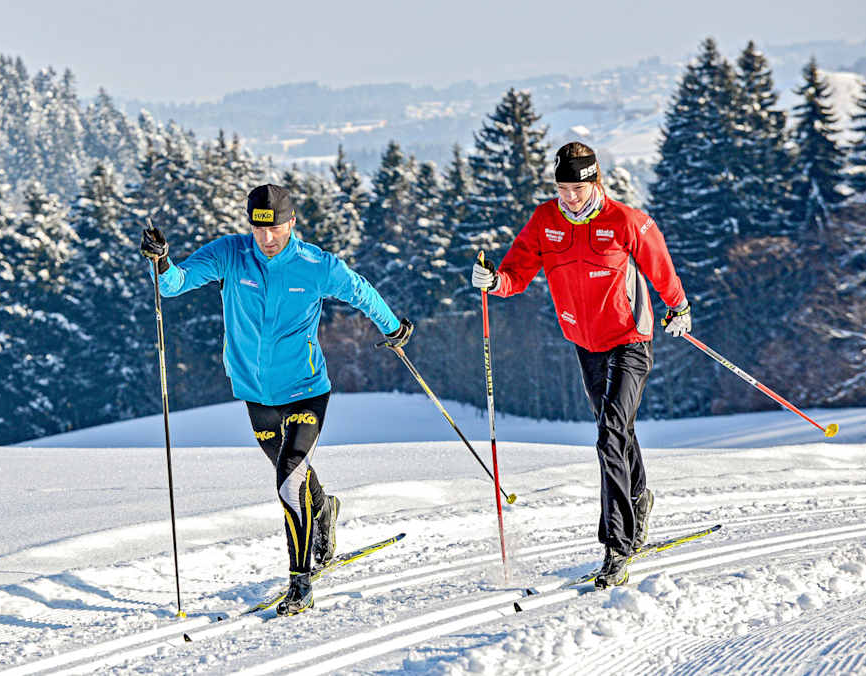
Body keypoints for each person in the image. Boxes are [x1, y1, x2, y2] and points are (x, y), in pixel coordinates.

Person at [140, 184, 412, 615]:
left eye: (277, 228)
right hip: (254, 392)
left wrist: (393, 328)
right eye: (259, 228)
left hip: (306, 389)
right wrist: (161, 261)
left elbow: (360, 290)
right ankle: (325, 510)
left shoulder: (314, 264)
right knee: (295, 477)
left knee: (288, 478)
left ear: (292, 222)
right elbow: (174, 285)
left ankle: (299, 581)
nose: (267, 238)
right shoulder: (230, 253)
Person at [471, 142, 692, 589]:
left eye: (577, 188)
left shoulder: (625, 221)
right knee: (619, 430)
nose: (569, 197)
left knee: (609, 434)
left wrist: (679, 307)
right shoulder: (544, 222)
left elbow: (659, 264)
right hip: (584, 342)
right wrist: (493, 281)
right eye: (562, 188)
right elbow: (517, 274)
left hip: (631, 338)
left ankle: (617, 544)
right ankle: (638, 497)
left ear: (596, 183)